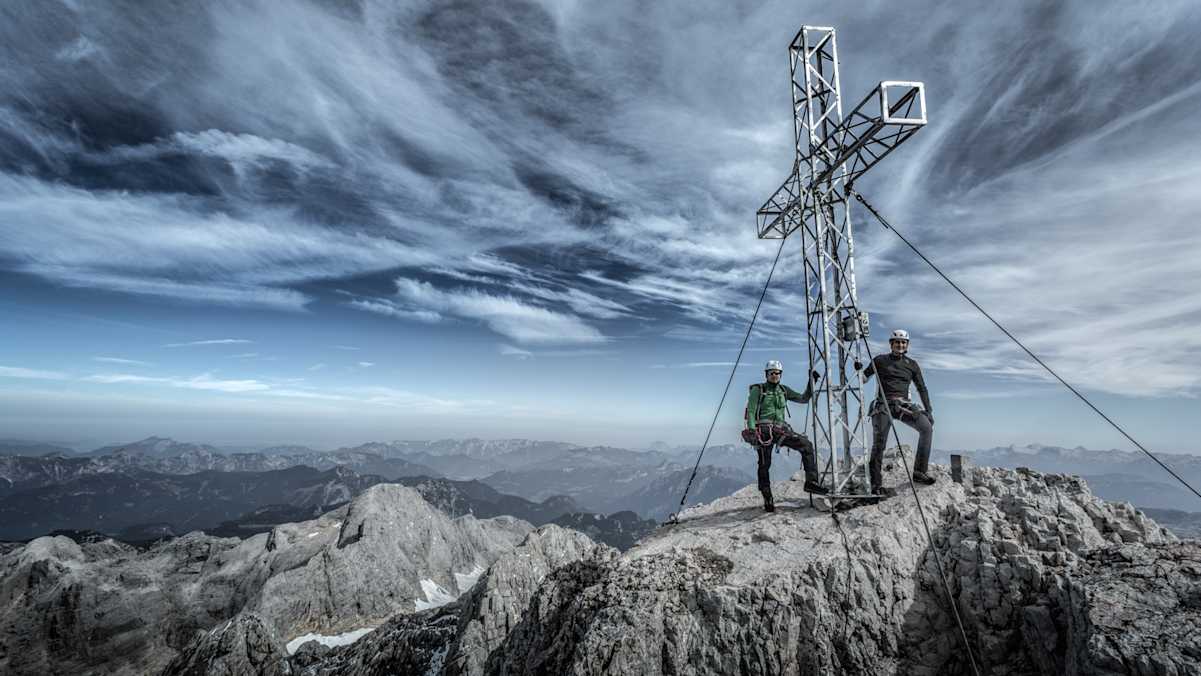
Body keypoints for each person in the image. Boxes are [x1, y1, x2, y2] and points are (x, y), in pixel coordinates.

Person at [856, 329, 936, 496]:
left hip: (903, 405)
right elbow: (864, 378)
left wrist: (928, 411)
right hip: (883, 404)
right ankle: (876, 485)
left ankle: (919, 471)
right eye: (897, 342)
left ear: (907, 345)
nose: (900, 345)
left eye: (903, 342)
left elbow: (922, 388)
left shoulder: (912, 364)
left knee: (927, 428)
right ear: (891, 344)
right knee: (879, 443)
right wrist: (858, 370)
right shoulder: (880, 360)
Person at [743, 360, 827, 512]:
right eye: (772, 373)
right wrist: (752, 430)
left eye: (777, 373)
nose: (775, 375)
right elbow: (751, 410)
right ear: (766, 374)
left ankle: (811, 482)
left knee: (806, 445)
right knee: (764, 464)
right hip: (764, 431)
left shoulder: (784, 390)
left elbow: (803, 399)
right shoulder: (758, 390)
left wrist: (811, 382)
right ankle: (767, 496)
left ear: (781, 374)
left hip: (780, 429)